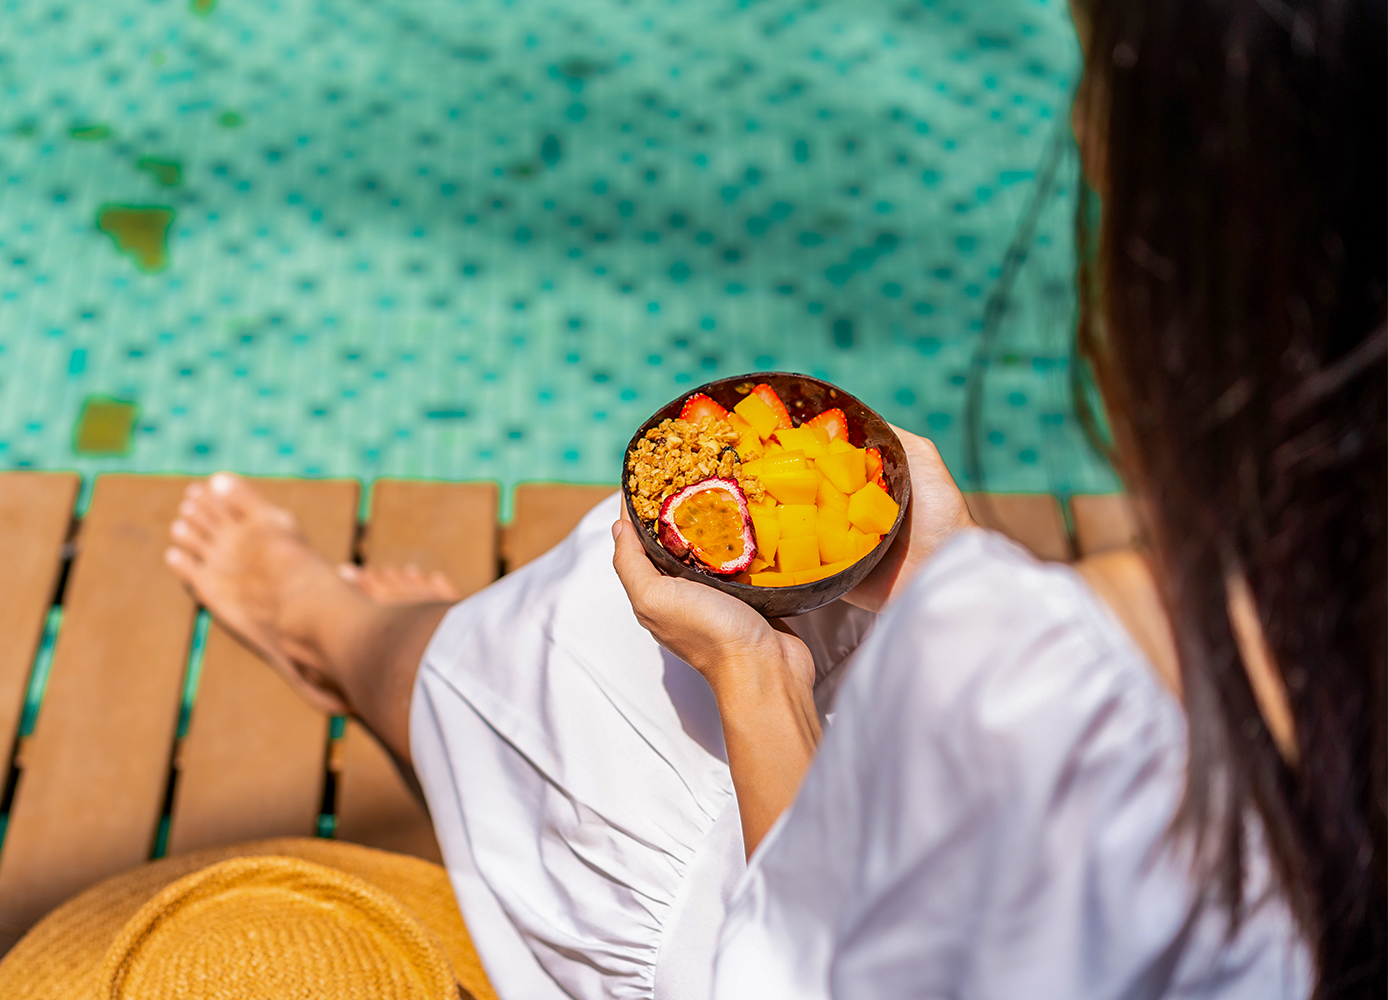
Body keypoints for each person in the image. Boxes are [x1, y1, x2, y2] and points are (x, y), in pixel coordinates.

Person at [162, 0, 1384, 996]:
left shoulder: (1044, 683)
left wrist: (759, 678)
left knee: (582, 628)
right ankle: (400, 662)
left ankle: (336, 636)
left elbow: (795, 975)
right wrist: (952, 579)